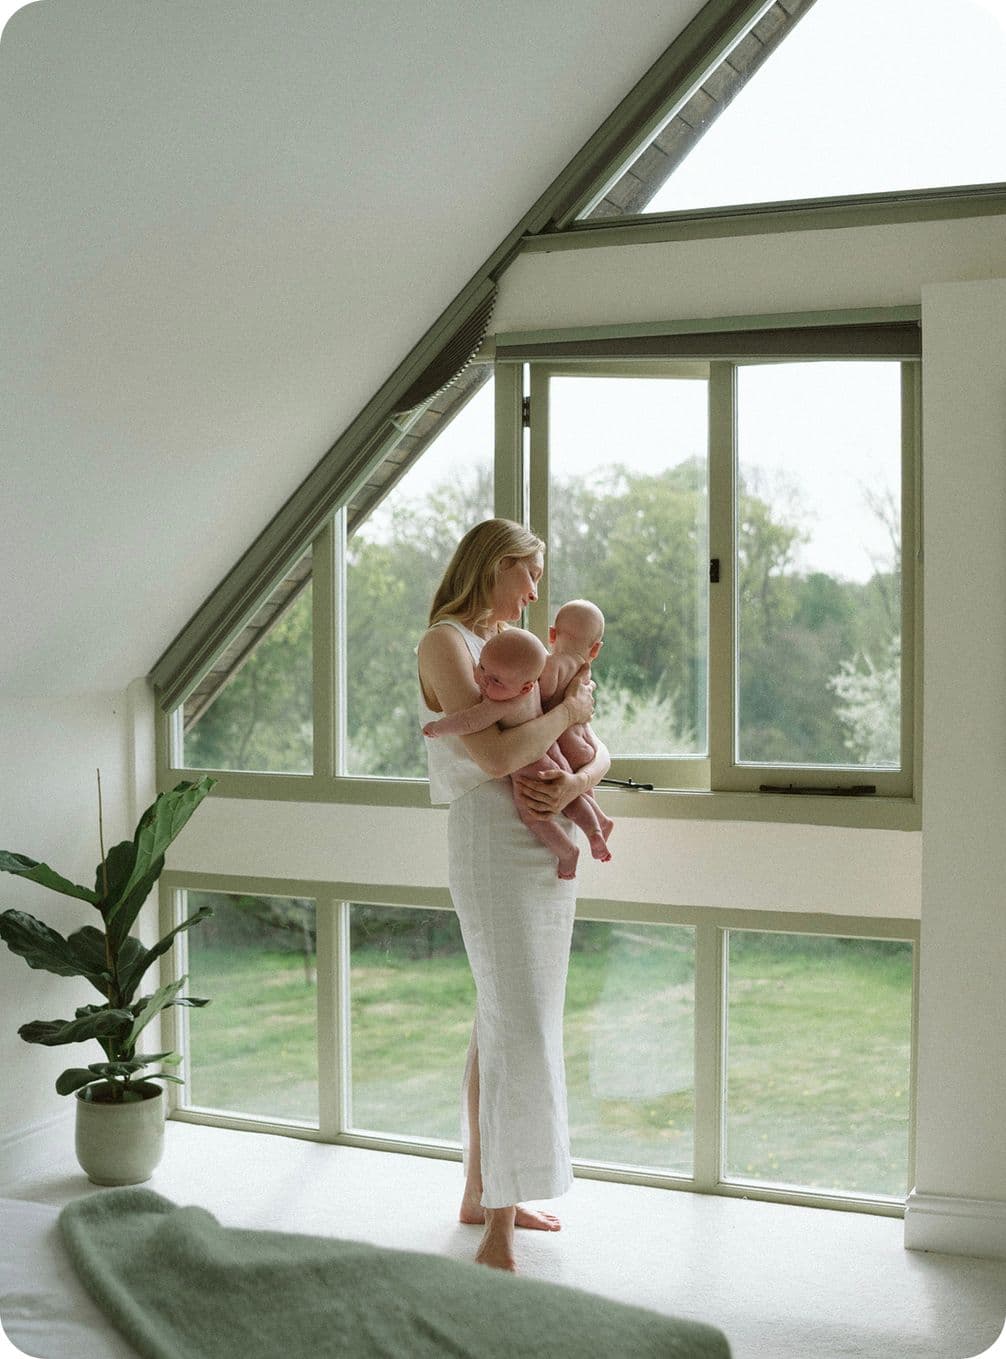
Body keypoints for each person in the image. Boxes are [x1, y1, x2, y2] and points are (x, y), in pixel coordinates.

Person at [417, 519, 610, 1272]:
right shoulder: (448, 643)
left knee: (500, 1018)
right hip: (492, 840)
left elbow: (596, 743)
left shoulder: (518, 646)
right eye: (527, 574)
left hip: (541, 835)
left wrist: (576, 778)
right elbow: (495, 750)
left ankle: (483, 1190)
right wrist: (566, 717)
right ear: (493, 566)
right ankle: (497, 1224)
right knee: (517, 1022)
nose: (534, 592)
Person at [422, 624, 613, 875]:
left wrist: (439, 728)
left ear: (525, 687)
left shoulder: (503, 701)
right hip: (553, 752)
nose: (482, 680)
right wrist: (570, 711)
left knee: (534, 817)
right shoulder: (522, 677)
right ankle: (597, 825)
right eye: (480, 668)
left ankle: (567, 852)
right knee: (572, 799)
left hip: (532, 767)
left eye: (495, 680)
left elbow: (470, 720)